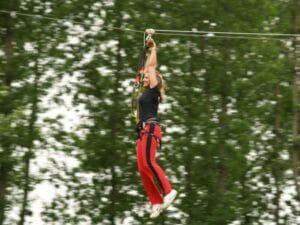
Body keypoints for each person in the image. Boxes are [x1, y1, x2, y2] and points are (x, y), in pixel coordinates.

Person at [135, 38, 177, 218]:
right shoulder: (145, 91)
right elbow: (145, 68)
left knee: (149, 163)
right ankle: (156, 201)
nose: (144, 76)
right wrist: (146, 50)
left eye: (148, 76)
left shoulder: (153, 89)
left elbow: (151, 67)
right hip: (143, 132)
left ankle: (168, 191)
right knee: (142, 167)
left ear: (155, 81)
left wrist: (153, 49)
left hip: (151, 129)